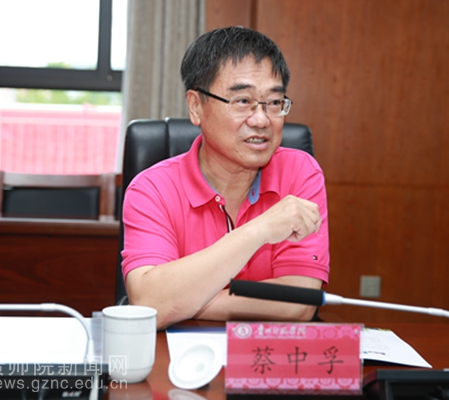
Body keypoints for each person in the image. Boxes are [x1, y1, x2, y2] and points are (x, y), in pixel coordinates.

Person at [121, 26, 330, 330]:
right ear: (196, 107)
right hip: (178, 357)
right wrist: (260, 230)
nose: (261, 120)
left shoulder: (300, 173)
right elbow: (149, 304)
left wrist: (182, 302)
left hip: (264, 357)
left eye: (274, 102)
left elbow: (299, 303)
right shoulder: (151, 189)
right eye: (242, 101)